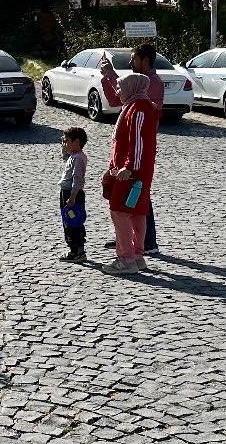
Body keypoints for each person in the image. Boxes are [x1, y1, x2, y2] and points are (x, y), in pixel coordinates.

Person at [99, 40, 163, 255]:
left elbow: (125, 93)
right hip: (131, 160)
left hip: (136, 161)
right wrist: (108, 76)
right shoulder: (135, 97)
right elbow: (117, 97)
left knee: (135, 205)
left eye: (134, 58)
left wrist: (129, 166)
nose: (131, 61)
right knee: (133, 205)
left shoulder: (149, 84)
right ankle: (130, 243)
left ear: (145, 61)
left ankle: (141, 246)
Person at [102, 74, 159, 275]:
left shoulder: (139, 108)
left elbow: (138, 143)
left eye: (121, 87)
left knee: (119, 210)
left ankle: (126, 258)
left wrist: (128, 168)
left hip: (132, 174)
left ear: (132, 87)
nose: (118, 91)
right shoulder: (136, 106)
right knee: (136, 212)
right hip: (132, 171)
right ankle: (136, 256)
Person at [59, 127, 88, 263]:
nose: (64, 144)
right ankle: (76, 249)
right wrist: (63, 146)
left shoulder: (78, 159)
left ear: (77, 142)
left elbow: (78, 179)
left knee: (72, 222)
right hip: (68, 193)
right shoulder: (74, 156)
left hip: (72, 194)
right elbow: (65, 157)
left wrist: (72, 197)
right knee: (69, 221)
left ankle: (76, 251)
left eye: (66, 141)